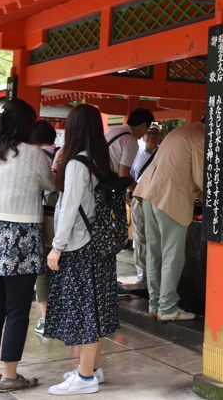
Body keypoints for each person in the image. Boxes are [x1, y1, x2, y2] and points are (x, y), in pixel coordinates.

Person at [0, 99, 54, 393]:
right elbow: (52, 186)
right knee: (17, 310)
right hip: (22, 234)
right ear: (27, 125)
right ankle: (10, 375)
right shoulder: (33, 154)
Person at [45, 104, 119, 395]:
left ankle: (86, 378)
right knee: (96, 309)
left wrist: (56, 247)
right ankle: (93, 369)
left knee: (88, 311)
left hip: (80, 246)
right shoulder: (100, 159)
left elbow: (69, 209)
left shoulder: (77, 163)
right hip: (99, 246)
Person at [132, 119, 204, 321]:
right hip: (169, 197)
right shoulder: (202, 137)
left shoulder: (181, 131)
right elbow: (202, 177)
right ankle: (168, 307)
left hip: (148, 193)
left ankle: (155, 304)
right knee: (172, 254)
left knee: (154, 252)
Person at [104, 108, 154, 294]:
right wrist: (139, 193)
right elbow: (124, 175)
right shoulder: (130, 140)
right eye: (147, 129)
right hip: (108, 194)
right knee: (113, 237)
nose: (145, 134)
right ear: (142, 125)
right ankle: (109, 281)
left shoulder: (114, 131)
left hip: (98, 188)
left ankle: (105, 279)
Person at [125, 122, 162, 294]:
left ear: (160, 136)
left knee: (155, 235)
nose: (151, 136)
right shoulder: (136, 153)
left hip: (157, 199)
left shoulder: (163, 154)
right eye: (149, 133)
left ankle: (155, 272)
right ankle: (142, 273)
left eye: (155, 133)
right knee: (140, 236)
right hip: (138, 198)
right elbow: (129, 174)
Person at [32, 120, 60, 338]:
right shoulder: (64, 155)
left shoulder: (34, 157)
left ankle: (46, 319)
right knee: (62, 266)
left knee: (43, 270)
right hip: (64, 219)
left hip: (43, 217)